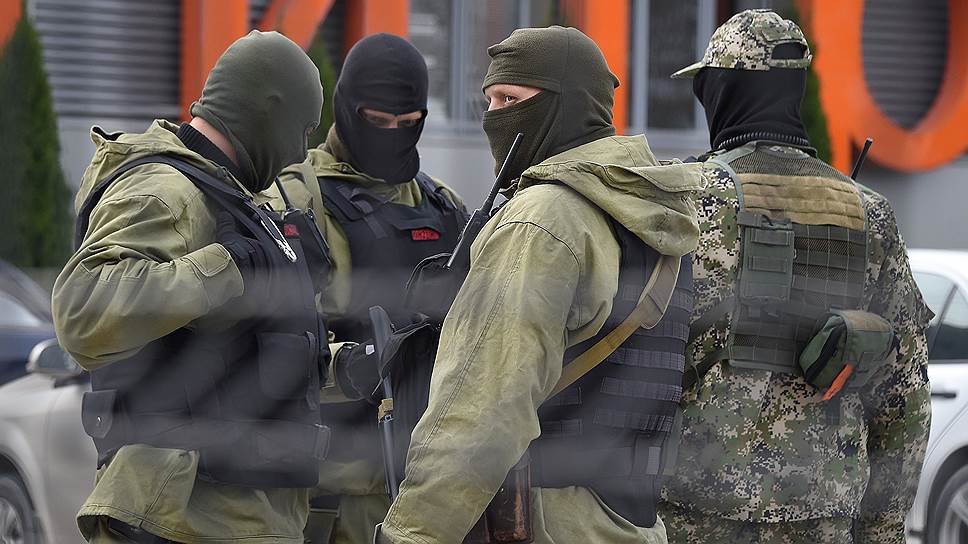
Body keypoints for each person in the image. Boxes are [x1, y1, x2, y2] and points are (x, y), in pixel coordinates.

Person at [377, 26, 704, 543]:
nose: (493, 117)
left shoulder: (542, 219)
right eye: (488, 100)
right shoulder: (654, 214)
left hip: (547, 521)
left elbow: (481, 408)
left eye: (510, 99)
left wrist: (412, 534)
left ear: (565, 105)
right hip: (630, 523)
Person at [657, 10, 932, 544]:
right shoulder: (870, 215)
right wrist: (881, 529)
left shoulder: (683, 200)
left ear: (721, 90)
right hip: (822, 513)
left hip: (690, 509)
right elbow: (903, 393)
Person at [52, 31, 328, 544]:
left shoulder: (237, 199)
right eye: (304, 129)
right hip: (175, 517)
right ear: (269, 111)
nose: (301, 151)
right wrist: (231, 264)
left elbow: (251, 353)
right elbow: (82, 309)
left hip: (234, 517)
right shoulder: (167, 191)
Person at [267, 33, 467, 544]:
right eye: (377, 121)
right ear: (346, 107)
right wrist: (356, 364)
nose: (392, 135)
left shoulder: (445, 206)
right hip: (332, 502)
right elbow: (264, 347)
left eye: (408, 123)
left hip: (433, 497)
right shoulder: (294, 198)